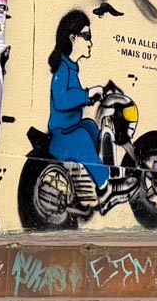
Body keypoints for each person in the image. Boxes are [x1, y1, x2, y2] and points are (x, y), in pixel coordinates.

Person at [46, 10, 110, 188]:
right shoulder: (62, 70)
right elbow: (62, 100)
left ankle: (99, 169)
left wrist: (89, 99)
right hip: (60, 135)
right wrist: (87, 93)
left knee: (90, 126)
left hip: (70, 128)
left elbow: (74, 100)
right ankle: (104, 182)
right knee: (81, 137)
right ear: (73, 38)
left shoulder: (72, 69)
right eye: (86, 36)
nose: (90, 42)